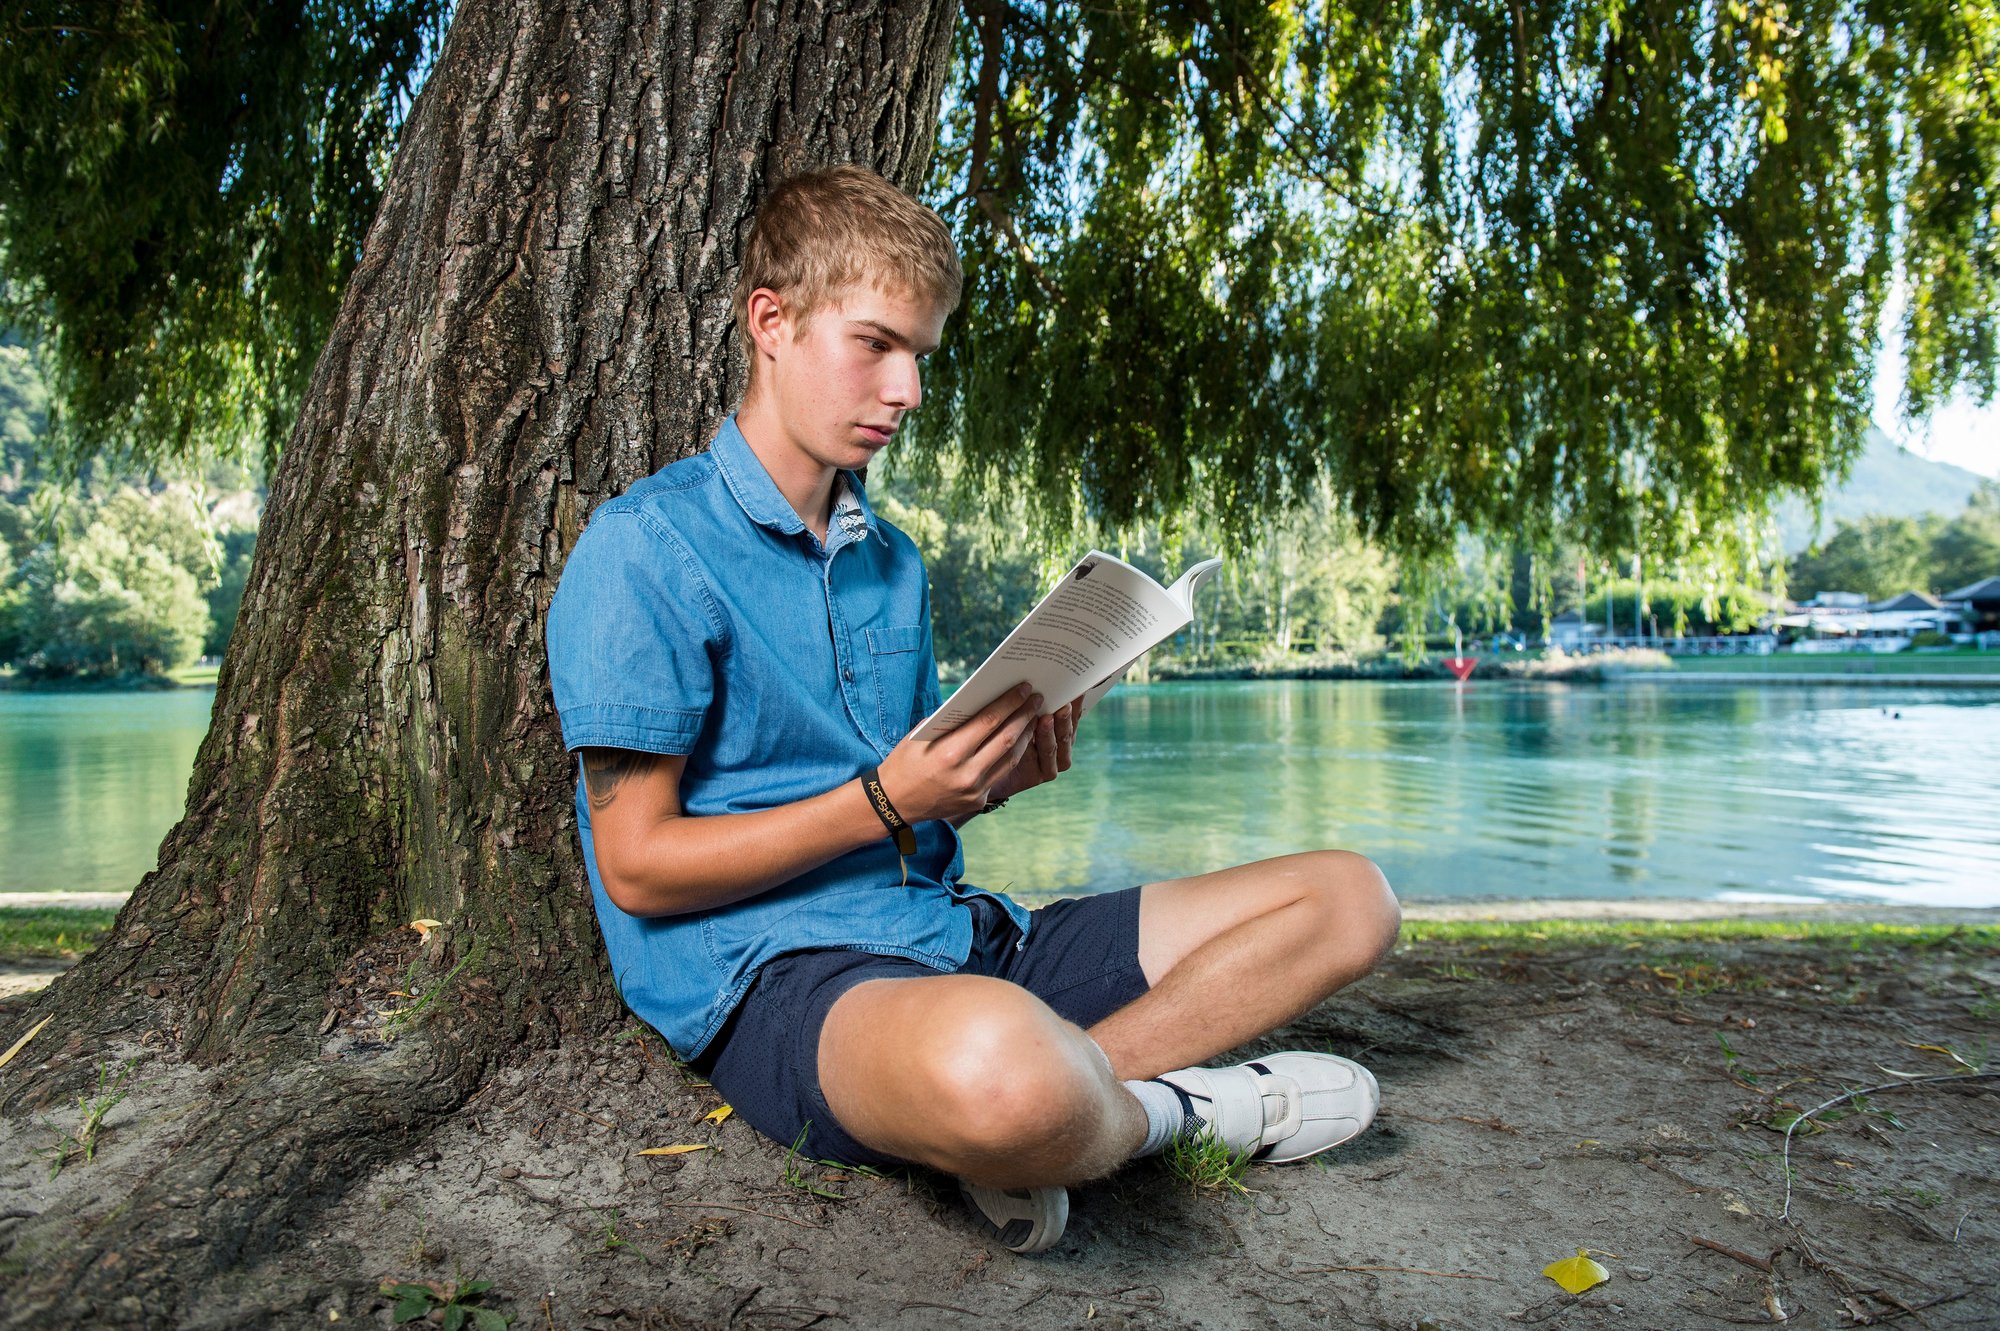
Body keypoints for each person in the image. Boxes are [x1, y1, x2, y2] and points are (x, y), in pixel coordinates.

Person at [545, 166, 1400, 1254]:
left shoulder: (888, 560)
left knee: (1348, 898)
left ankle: (1052, 1113)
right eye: (874, 344)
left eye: (920, 356)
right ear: (771, 321)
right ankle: (1188, 1108)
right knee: (1001, 1066)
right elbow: (637, 867)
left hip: (953, 942)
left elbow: (905, 810)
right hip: (782, 981)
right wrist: (884, 797)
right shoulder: (642, 550)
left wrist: (991, 780)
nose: (904, 389)